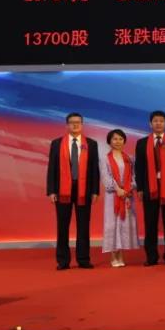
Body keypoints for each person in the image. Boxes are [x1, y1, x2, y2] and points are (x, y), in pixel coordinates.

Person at [46, 112, 100, 270]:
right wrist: (51, 191)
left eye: (78, 122)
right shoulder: (57, 143)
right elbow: (52, 168)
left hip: (84, 190)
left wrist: (95, 191)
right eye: (72, 122)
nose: (75, 125)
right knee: (62, 226)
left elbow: (94, 169)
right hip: (62, 189)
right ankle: (63, 260)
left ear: (82, 124)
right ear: (67, 125)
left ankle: (83, 259)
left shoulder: (91, 144)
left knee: (83, 226)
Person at [134, 111, 165, 266]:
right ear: (150, 124)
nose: (158, 123)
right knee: (150, 223)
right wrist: (140, 188)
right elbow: (139, 167)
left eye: (161, 121)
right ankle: (151, 257)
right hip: (149, 187)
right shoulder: (142, 143)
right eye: (155, 121)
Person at [100, 129, 140, 267]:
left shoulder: (129, 158)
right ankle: (113, 256)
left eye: (120, 139)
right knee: (113, 224)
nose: (118, 142)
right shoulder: (105, 158)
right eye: (115, 139)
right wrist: (118, 189)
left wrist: (128, 188)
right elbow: (105, 177)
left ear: (124, 141)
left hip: (127, 196)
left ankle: (121, 255)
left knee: (123, 225)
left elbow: (134, 176)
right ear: (109, 141)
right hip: (113, 196)